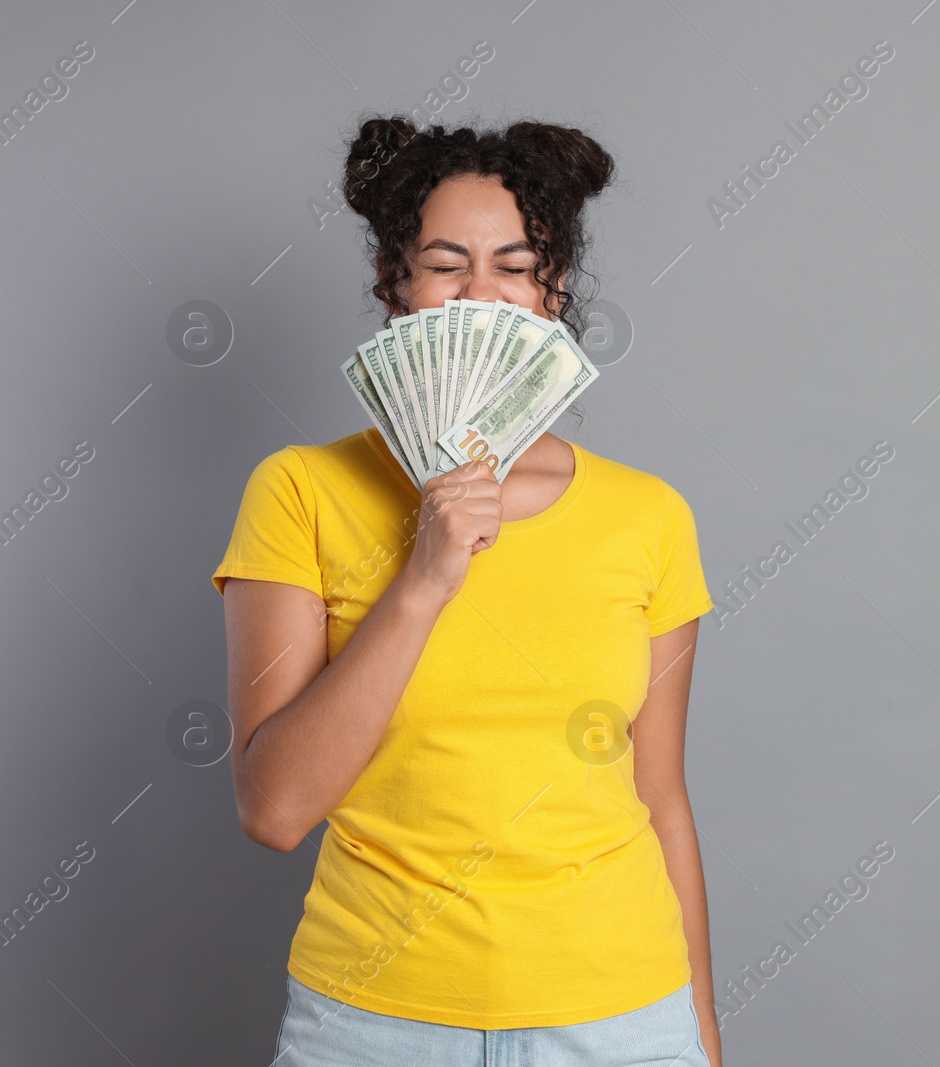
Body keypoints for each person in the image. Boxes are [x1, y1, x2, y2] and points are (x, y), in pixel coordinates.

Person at [210, 116, 721, 1067]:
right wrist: (426, 577)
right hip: (373, 1021)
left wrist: (700, 1033)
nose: (480, 295)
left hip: (619, 1021)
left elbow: (662, 798)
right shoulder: (300, 490)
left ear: (553, 290)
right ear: (397, 286)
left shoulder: (649, 516)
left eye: (514, 266)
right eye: (446, 265)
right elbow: (273, 809)